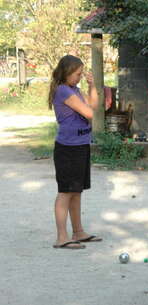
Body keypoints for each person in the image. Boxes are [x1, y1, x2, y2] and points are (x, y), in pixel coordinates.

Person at [48, 55, 102, 249]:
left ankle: (78, 231)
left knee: (76, 191)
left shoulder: (74, 90)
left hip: (80, 145)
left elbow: (94, 106)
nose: (79, 77)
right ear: (67, 72)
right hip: (68, 149)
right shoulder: (63, 90)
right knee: (65, 193)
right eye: (78, 74)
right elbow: (89, 113)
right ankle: (61, 237)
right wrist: (88, 106)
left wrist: (92, 86)